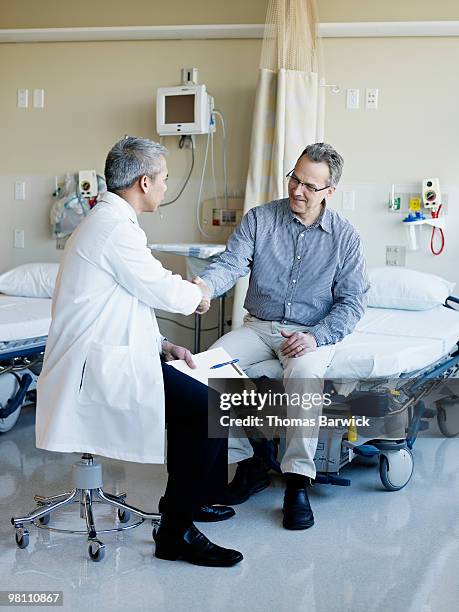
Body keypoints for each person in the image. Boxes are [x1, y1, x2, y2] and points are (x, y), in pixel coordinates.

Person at [36, 136, 243, 567]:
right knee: (210, 408)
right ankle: (177, 529)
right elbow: (160, 287)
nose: (166, 188)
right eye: (165, 179)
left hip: (109, 358)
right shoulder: (112, 228)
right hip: (92, 370)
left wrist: (162, 345)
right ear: (144, 182)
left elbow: (126, 302)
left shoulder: (113, 224)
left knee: (201, 407)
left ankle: (180, 513)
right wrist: (199, 297)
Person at [196, 142, 369, 531]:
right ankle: (251, 457)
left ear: (329, 192)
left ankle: (297, 482)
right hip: (259, 325)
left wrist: (317, 337)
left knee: (304, 377)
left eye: (309, 185)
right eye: (294, 178)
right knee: (209, 367)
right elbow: (230, 264)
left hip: (310, 332)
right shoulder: (261, 220)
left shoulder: (345, 237)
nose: (297, 190)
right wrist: (205, 288)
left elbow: (352, 303)